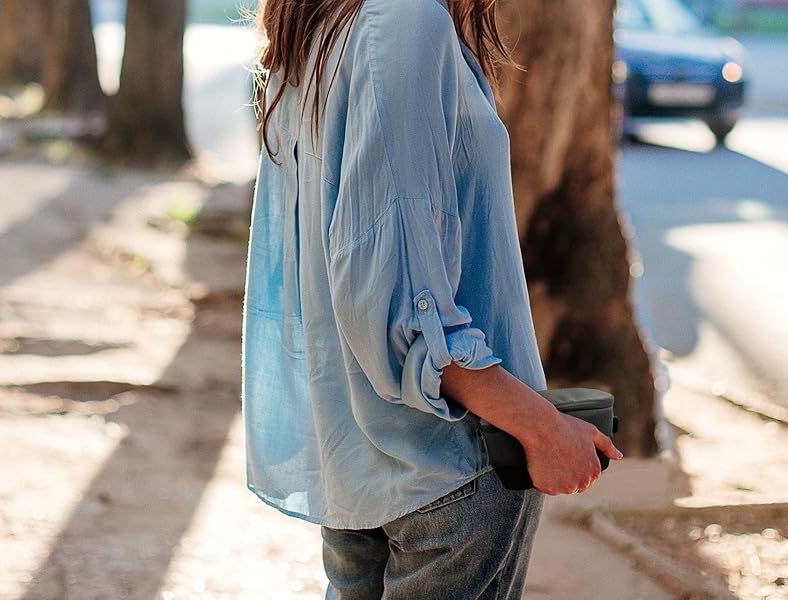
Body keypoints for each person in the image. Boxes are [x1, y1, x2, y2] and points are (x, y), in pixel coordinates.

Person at [241, 0, 624, 597]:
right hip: (447, 473)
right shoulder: (404, 22)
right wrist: (543, 430)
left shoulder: (319, 28)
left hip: (361, 471)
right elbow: (398, 300)